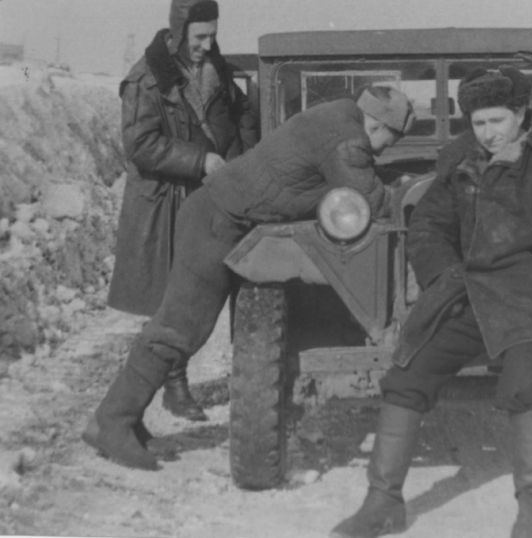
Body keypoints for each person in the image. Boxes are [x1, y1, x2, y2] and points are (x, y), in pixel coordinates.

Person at [331, 67, 532, 538]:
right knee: (407, 376)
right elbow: (428, 226)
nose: (487, 134)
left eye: (496, 121)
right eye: (479, 123)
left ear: (520, 112)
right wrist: (445, 277)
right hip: (470, 291)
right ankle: (382, 502)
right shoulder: (460, 156)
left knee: (525, 387)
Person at [83, 84, 415, 471]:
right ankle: (112, 422)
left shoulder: (338, 117)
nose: (384, 150)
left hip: (221, 216)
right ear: (378, 126)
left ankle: (122, 420)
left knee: (184, 328)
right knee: (180, 327)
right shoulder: (347, 139)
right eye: (390, 141)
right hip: (216, 221)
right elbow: (369, 200)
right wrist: (408, 194)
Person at [107, 0, 258, 422]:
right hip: (167, 201)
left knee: (203, 289)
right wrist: (200, 160)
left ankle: (176, 383)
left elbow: (241, 112)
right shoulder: (146, 79)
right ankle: (172, 387)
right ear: (178, 32)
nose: (207, 45)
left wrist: (242, 158)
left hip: (209, 196)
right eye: (199, 37)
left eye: (213, 35)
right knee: (172, 297)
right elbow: (140, 144)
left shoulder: (216, 70)